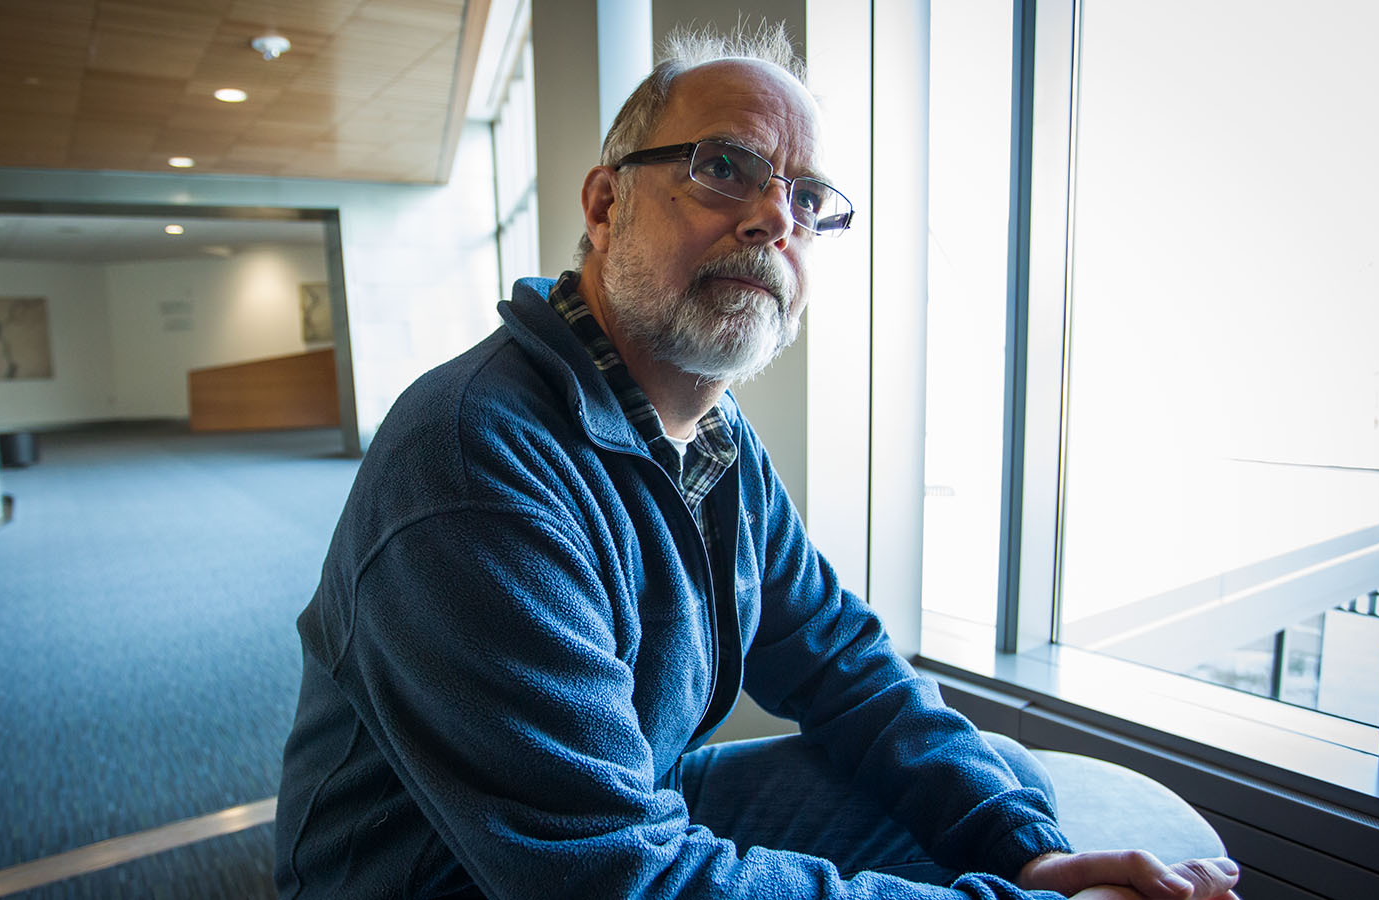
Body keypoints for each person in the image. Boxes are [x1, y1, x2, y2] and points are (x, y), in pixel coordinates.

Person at [274, 26, 1241, 900]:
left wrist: (1026, 856)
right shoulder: (473, 464)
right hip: (439, 874)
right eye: (725, 168)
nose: (776, 218)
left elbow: (845, 667)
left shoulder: (715, 437)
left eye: (807, 197)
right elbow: (613, 879)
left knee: (1000, 790)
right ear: (608, 204)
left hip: (623, 801)